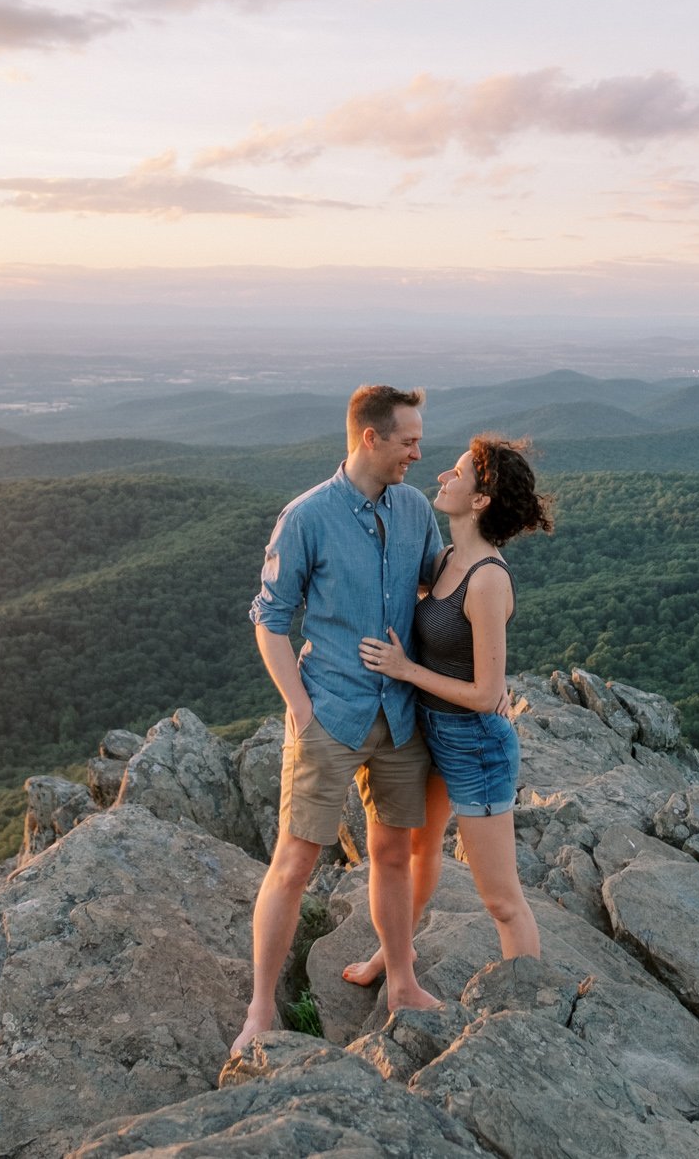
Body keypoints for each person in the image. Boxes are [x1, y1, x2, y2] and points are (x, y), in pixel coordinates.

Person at [234, 384, 447, 1057]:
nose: (419, 450)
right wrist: (301, 709)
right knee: (295, 861)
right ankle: (262, 1006)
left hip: (400, 714)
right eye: (409, 439)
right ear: (370, 438)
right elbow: (270, 620)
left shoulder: (414, 510)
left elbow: (441, 588)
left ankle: (404, 981)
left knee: (392, 853)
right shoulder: (306, 517)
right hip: (330, 709)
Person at [348, 435, 554, 983]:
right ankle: (393, 956)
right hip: (432, 732)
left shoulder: (487, 578)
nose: (443, 476)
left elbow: (489, 694)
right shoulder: (446, 560)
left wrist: (405, 669)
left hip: (475, 744)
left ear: (481, 500)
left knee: (501, 900)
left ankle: (529, 1007)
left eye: (458, 473)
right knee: (419, 853)